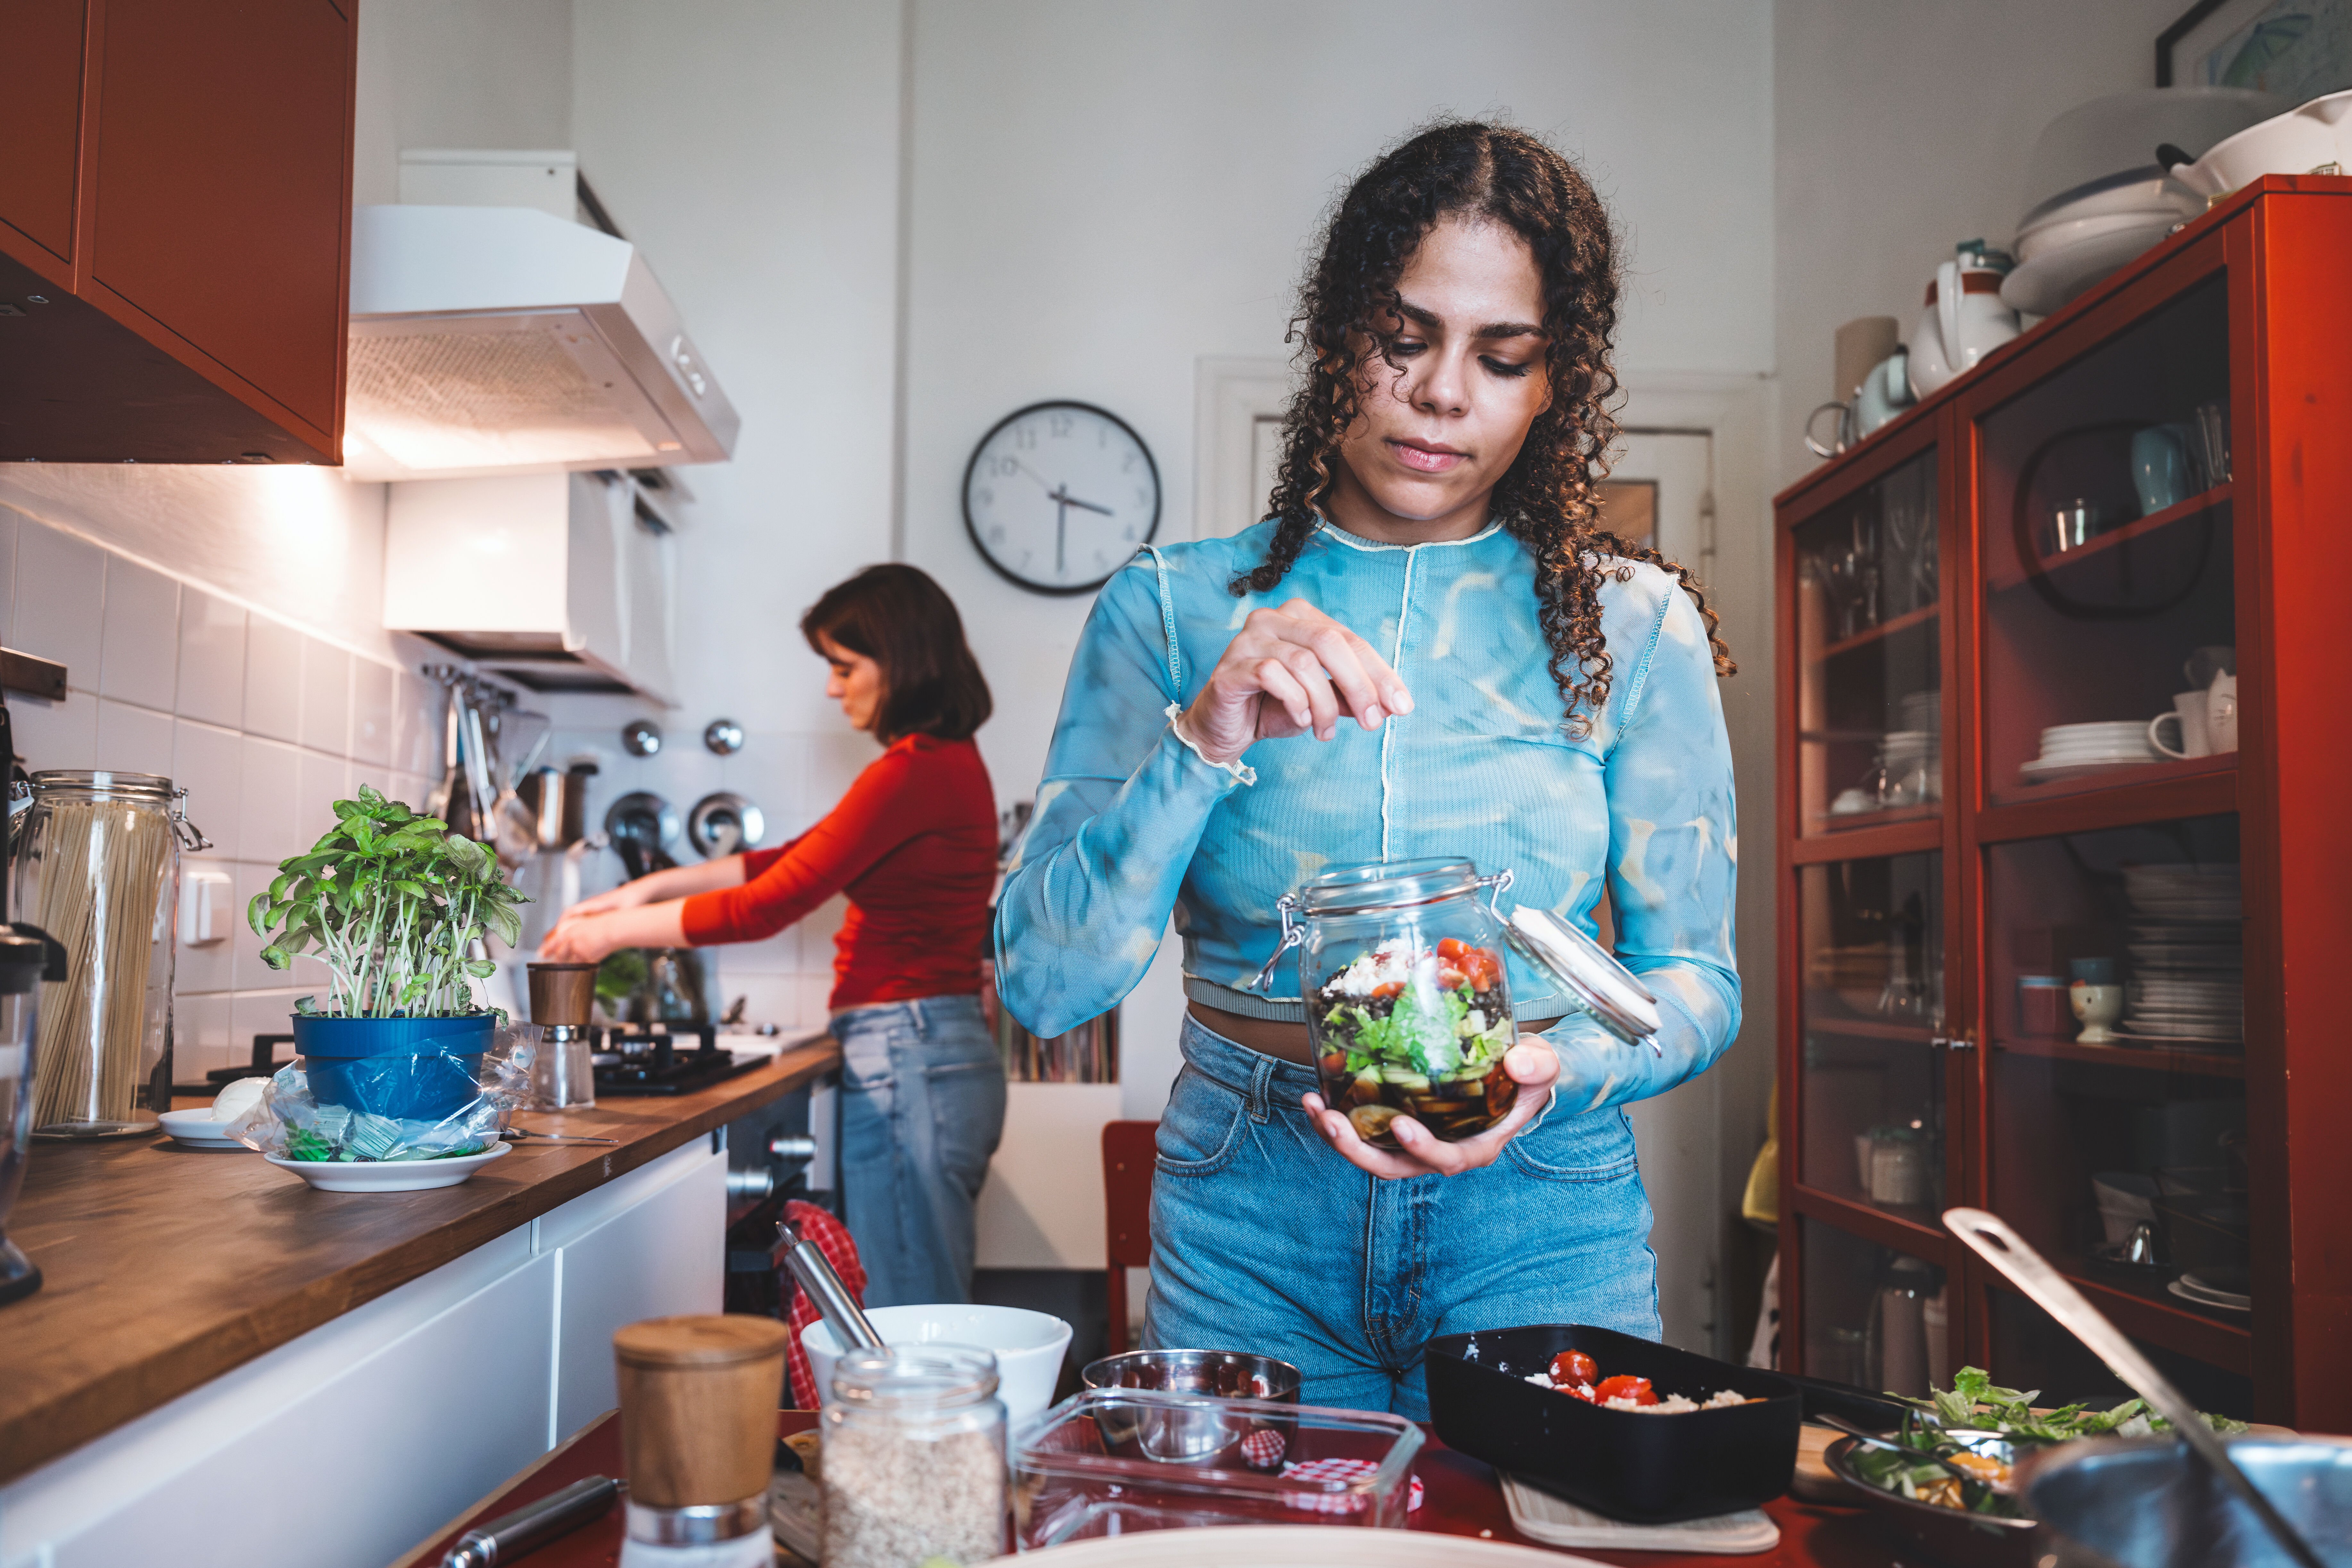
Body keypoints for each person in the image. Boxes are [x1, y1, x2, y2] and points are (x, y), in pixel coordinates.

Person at [995, 121, 1740, 1414]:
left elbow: (1695, 980)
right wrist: (1201, 739)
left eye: (1500, 356)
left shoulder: (1635, 627)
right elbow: (1045, 983)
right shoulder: (1171, 610)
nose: (1442, 392)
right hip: (1249, 1205)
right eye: (1403, 338)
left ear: (1551, 383)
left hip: (1544, 1205)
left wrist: (1568, 1067)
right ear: (1336, 336)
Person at [544, 564, 1006, 1307]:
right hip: (924, 1049)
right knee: (914, 1305)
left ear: (903, 661)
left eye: (844, 666)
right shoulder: (939, 766)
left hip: (908, 1052)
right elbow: (793, 856)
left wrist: (609, 936)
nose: (832, 686)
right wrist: (643, 889)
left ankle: (922, 1433)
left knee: (908, 1316)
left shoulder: (913, 772)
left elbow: (765, 906)